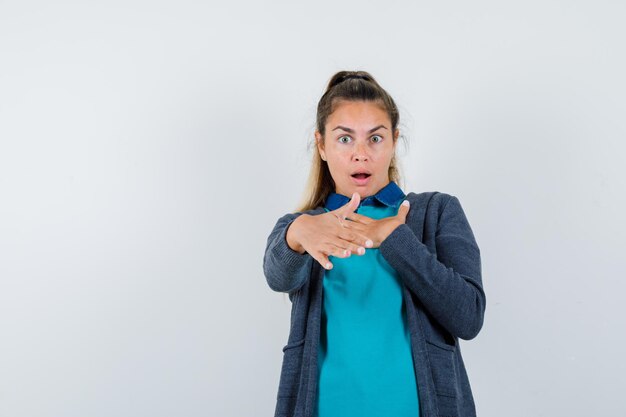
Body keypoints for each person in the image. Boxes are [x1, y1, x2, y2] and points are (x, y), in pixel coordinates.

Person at [263, 70, 486, 417]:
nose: (361, 154)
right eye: (344, 139)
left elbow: (468, 317)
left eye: (376, 138)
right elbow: (277, 275)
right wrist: (297, 233)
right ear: (321, 145)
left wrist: (396, 239)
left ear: (394, 141)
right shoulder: (306, 227)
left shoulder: (437, 211)